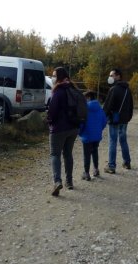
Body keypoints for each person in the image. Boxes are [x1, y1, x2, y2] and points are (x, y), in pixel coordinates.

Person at [47, 67, 80, 196]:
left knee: (55, 154)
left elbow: (52, 112)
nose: (52, 77)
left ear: (59, 77)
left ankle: (57, 181)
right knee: (68, 154)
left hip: (59, 129)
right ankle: (69, 181)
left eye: (54, 75)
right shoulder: (74, 89)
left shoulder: (58, 91)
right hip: (73, 128)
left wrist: (49, 121)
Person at [103, 68, 134, 174]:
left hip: (114, 120)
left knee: (113, 141)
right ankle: (127, 162)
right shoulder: (127, 89)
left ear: (118, 76)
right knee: (123, 141)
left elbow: (107, 106)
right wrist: (128, 117)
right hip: (124, 120)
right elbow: (131, 105)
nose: (110, 78)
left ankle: (111, 166)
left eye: (111, 75)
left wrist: (103, 118)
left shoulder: (114, 89)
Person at [79, 91, 107, 181]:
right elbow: (104, 121)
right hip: (97, 136)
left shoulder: (85, 109)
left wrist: (80, 132)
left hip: (87, 135)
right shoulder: (100, 108)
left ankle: (86, 173)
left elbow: (81, 123)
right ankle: (96, 169)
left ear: (88, 98)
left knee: (86, 154)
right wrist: (99, 130)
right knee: (95, 151)